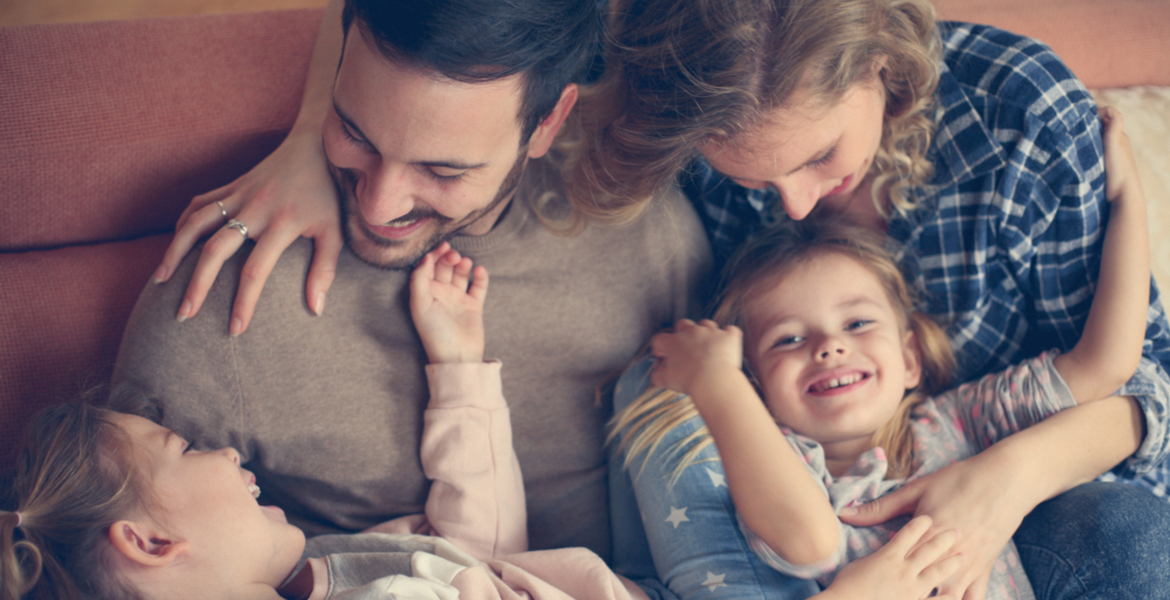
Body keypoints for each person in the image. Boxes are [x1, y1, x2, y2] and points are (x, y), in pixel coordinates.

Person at [573, 1, 1170, 599]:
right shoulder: (780, 456)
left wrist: (1126, 203)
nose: (796, 206)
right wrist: (722, 385)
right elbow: (803, 538)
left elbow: (1118, 369)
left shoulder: (952, 422)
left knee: (1133, 536)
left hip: (1051, 499)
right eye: (753, 180)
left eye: (818, 156)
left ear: (881, 62)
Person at [2, 246, 965, 600]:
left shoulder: (327, 568)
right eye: (181, 448)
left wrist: (459, 366)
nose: (217, 445)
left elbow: (479, 549)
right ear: (149, 539)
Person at [112, 0, 712, 563]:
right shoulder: (227, 296)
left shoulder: (644, 236)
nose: (378, 204)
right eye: (354, 133)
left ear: (547, 123)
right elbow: (125, 561)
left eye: (442, 170)